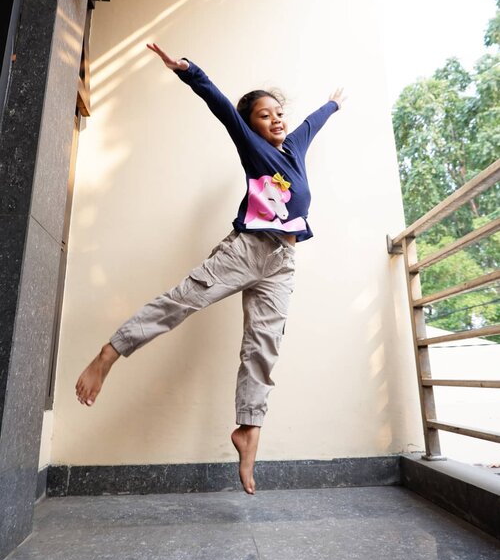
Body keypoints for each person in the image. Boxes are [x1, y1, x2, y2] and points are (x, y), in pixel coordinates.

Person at [76, 43, 345, 494]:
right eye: (265, 115)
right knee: (182, 301)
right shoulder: (253, 146)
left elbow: (311, 124)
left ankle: (248, 430)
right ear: (253, 126)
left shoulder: (294, 147)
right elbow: (222, 107)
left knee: (264, 347)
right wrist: (190, 72)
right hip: (247, 250)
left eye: (278, 113)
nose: (276, 120)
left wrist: (333, 104)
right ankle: (109, 353)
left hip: (282, 263)